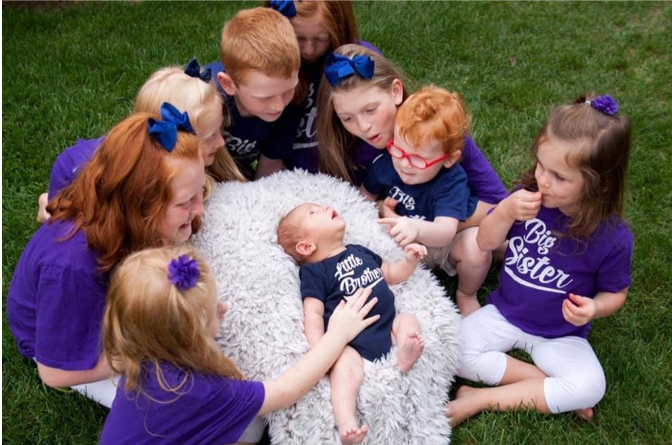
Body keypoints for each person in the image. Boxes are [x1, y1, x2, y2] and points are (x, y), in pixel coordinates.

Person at [447, 94, 633, 426]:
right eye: (541, 165)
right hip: (504, 312)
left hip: (561, 334)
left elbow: (615, 293)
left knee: (592, 386)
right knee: (450, 352)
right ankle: (540, 385)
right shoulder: (527, 196)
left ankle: (480, 399)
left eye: (559, 177)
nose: (543, 180)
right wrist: (504, 210)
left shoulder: (613, 238)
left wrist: (594, 308)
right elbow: (486, 242)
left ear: (599, 184)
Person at [7, 105, 206, 408]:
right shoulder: (71, 267)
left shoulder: (119, 187)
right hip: (72, 350)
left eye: (200, 192)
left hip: (102, 298)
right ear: (139, 205)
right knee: (187, 405)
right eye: (186, 201)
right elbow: (54, 372)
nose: (200, 209)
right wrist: (147, 353)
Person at [98, 245, 379, 445]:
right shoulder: (200, 390)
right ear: (186, 337)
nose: (225, 307)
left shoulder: (141, 356)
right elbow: (286, 390)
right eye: (211, 312)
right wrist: (337, 335)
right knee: (252, 425)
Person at [278, 202, 425, 444]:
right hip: (353, 343)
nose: (325, 207)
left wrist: (408, 262)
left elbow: (388, 273)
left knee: (408, 321)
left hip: (388, 326)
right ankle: (347, 424)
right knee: (343, 372)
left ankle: (403, 355)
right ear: (306, 246)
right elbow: (313, 313)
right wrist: (321, 349)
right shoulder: (315, 271)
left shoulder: (358, 250)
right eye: (313, 212)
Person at [316, 44, 507, 223]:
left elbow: (496, 201)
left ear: (396, 92)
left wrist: (429, 227)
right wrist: (382, 209)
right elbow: (358, 202)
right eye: (347, 118)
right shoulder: (346, 145)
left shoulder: (436, 129)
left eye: (370, 110)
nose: (363, 127)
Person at [36, 60, 244, 221]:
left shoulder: (190, 169)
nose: (221, 143)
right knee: (63, 216)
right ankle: (47, 203)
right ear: (172, 140)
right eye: (209, 138)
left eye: (220, 131)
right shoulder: (135, 188)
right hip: (73, 178)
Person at [361, 86, 490, 315]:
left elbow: (445, 231)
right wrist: (377, 209)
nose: (404, 164)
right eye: (398, 150)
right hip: (402, 242)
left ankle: (466, 294)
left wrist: (413, 226)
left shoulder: (452, 180)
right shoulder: (386, 163)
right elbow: (363, 197)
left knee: (477, 247)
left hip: (444, 243)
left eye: (418, 159)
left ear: (449, 159)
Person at [264, 0, 375, 173]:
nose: (309, 50)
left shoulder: (359, 63)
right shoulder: (267, 68)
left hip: (352, 177)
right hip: (289, 178)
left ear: (339, 28)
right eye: (298, 38)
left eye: (321, 38)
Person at [207, 7, 302, 179]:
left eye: (288, 90)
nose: (279, 105)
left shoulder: (290, 106)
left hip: (238, 172)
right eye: (264, 98)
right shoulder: (204, 100)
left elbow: (270, 165)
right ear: (228, 84)